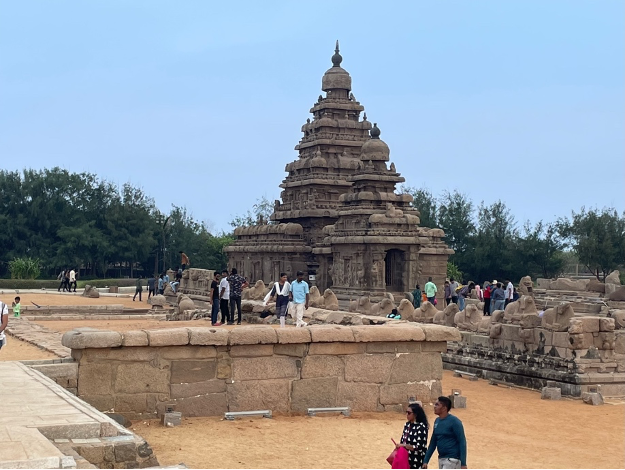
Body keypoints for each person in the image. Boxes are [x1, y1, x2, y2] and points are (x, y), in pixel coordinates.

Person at [422, 396, 467, 469]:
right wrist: (426, 461)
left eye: (437, 405)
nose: (434, 406)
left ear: (444, 408)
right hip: (441, 458)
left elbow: (462, 441)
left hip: (452, 459)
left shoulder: (455, 422)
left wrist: (463, 463)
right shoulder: (437, 421)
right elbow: (433, 442)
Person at [396, 402, 429, 469]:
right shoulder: (407, 425)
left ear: (415, 414)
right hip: (405, 459)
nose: (407, 415)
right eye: (406, 412)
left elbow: (419, 447)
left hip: (417, 461)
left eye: (409, 413)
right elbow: (402, 440)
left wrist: (404, 445)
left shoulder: (421, 427)